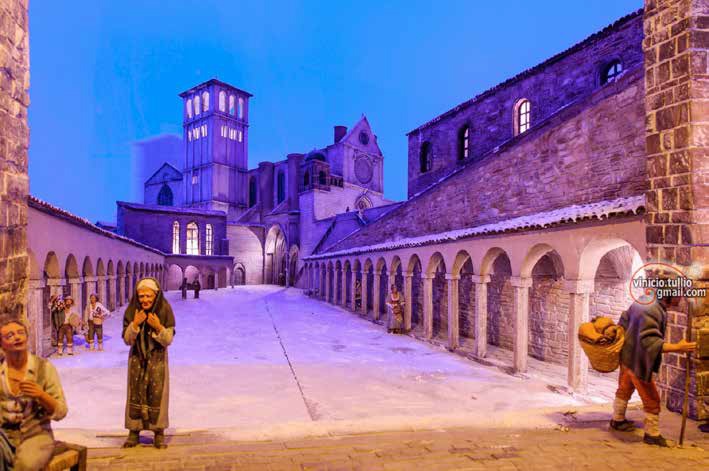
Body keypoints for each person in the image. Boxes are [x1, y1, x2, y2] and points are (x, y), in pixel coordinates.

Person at [610, 287, 696, 447]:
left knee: (625, 388)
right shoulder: (652, 309)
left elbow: (623, 319)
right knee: (652, 398)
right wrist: (678, 347)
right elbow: (649, 342)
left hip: (627, 354)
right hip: (638, 360)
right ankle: (652, 433)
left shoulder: (644, 300)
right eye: (678, 294)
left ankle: (617, 419)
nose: (680, 298)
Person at [0, 317, 68, 470]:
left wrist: (41, 395)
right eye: (9, 335)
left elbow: (61, 412)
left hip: (36, 437)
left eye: (20, 333)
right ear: (2, 345)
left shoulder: (44, 369)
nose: (17, 337)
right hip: (4, 437)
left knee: (23, 465)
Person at [122, 277, 175, 449]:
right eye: (141, 296)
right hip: (137, 359)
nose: (144, 300)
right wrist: (135, 324)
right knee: (135, 393)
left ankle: (158, 432)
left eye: (148, 296)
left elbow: (167, 340)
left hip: (157, 360)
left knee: (157, 394)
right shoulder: (132, 312)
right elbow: (127, 340)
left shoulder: (164, 310)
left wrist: (159, 327)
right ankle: (134, 431)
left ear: (156, 295)